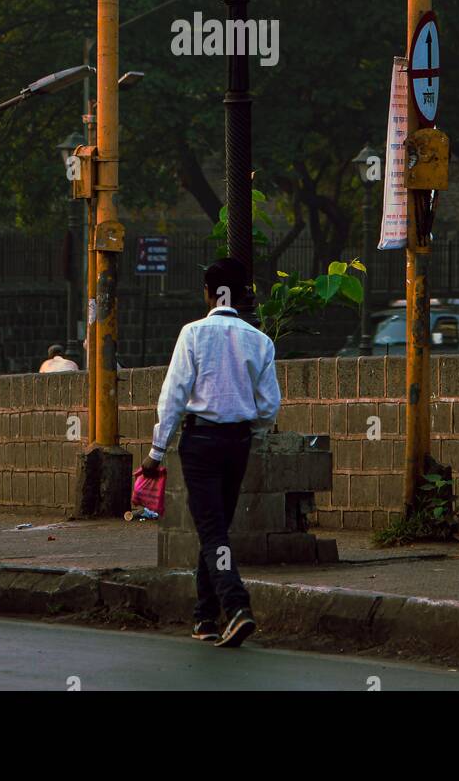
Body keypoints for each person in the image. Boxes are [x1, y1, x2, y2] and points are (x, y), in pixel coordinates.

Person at [140, 256, 281, 648]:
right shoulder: (260, 341)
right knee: (215, 525)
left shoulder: (192, 334)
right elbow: (269, 406)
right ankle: (205, 617)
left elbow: (174, 396)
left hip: (199, 443)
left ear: (208, 293)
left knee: (212, 528)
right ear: (244, 296)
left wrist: (156, 450)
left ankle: (236, 605)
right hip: (237, 443)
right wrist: (247, 427)